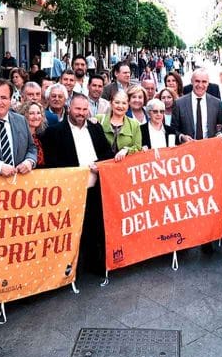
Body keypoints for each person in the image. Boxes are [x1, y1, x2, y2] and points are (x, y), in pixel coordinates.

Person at [39, 94, 114, 277]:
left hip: (95, 188)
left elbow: (106, 153)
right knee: (71, 232)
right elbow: (52, 164)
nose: (81, 113)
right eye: (77, 109)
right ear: (69, 108)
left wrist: (100, 165)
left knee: (95, 228)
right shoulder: (54, 132)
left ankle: (94, 265)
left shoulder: (96, 129)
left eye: (84, 109)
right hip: (70, 192)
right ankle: (70, 271)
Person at [172, 69, 222, 142]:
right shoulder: (179, 103)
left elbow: (219, 126)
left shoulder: (216, 103)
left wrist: (219, 133)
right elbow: (173, 129)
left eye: (204, 82)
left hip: (209, 148)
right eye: (197, 81)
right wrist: (182, 137)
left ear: (208, 83)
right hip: (187, 149)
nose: (200, 85)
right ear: (191, 81)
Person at [96, 91, 142, 159]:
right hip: (101, 165)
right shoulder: (99, 119)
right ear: (111, 103)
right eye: (117, 102)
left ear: (128, 105)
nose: (120, 106)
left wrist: (126, 150)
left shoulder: (134, 124)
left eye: (124, 103)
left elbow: (138, 148)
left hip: (124, 166)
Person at [19, 101, 48, 166]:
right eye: (31, 113)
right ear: (23, 115)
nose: (36, 117)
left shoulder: (43, 136)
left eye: (38, 113)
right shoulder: (19, 138)